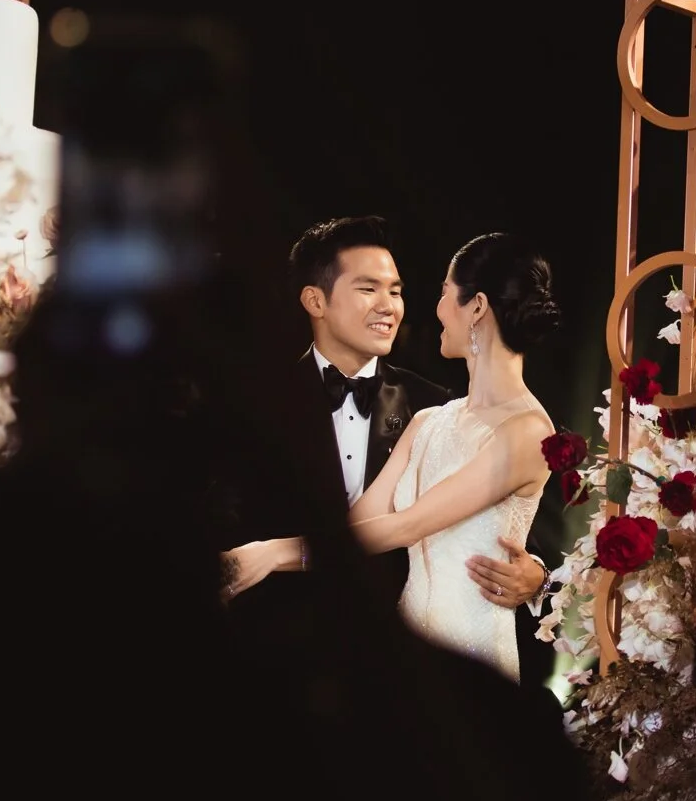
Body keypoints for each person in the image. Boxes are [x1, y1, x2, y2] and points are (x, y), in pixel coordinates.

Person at [213, 216, 556, 686]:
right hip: (304, 656)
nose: (395, 307)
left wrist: (537, 576)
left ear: (476, 306)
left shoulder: (470, 413)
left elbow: (431, 526)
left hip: (457, 659)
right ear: (315, 300)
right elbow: (349, 529)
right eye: (368, 288)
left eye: (398, 291)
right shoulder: (428, 420)